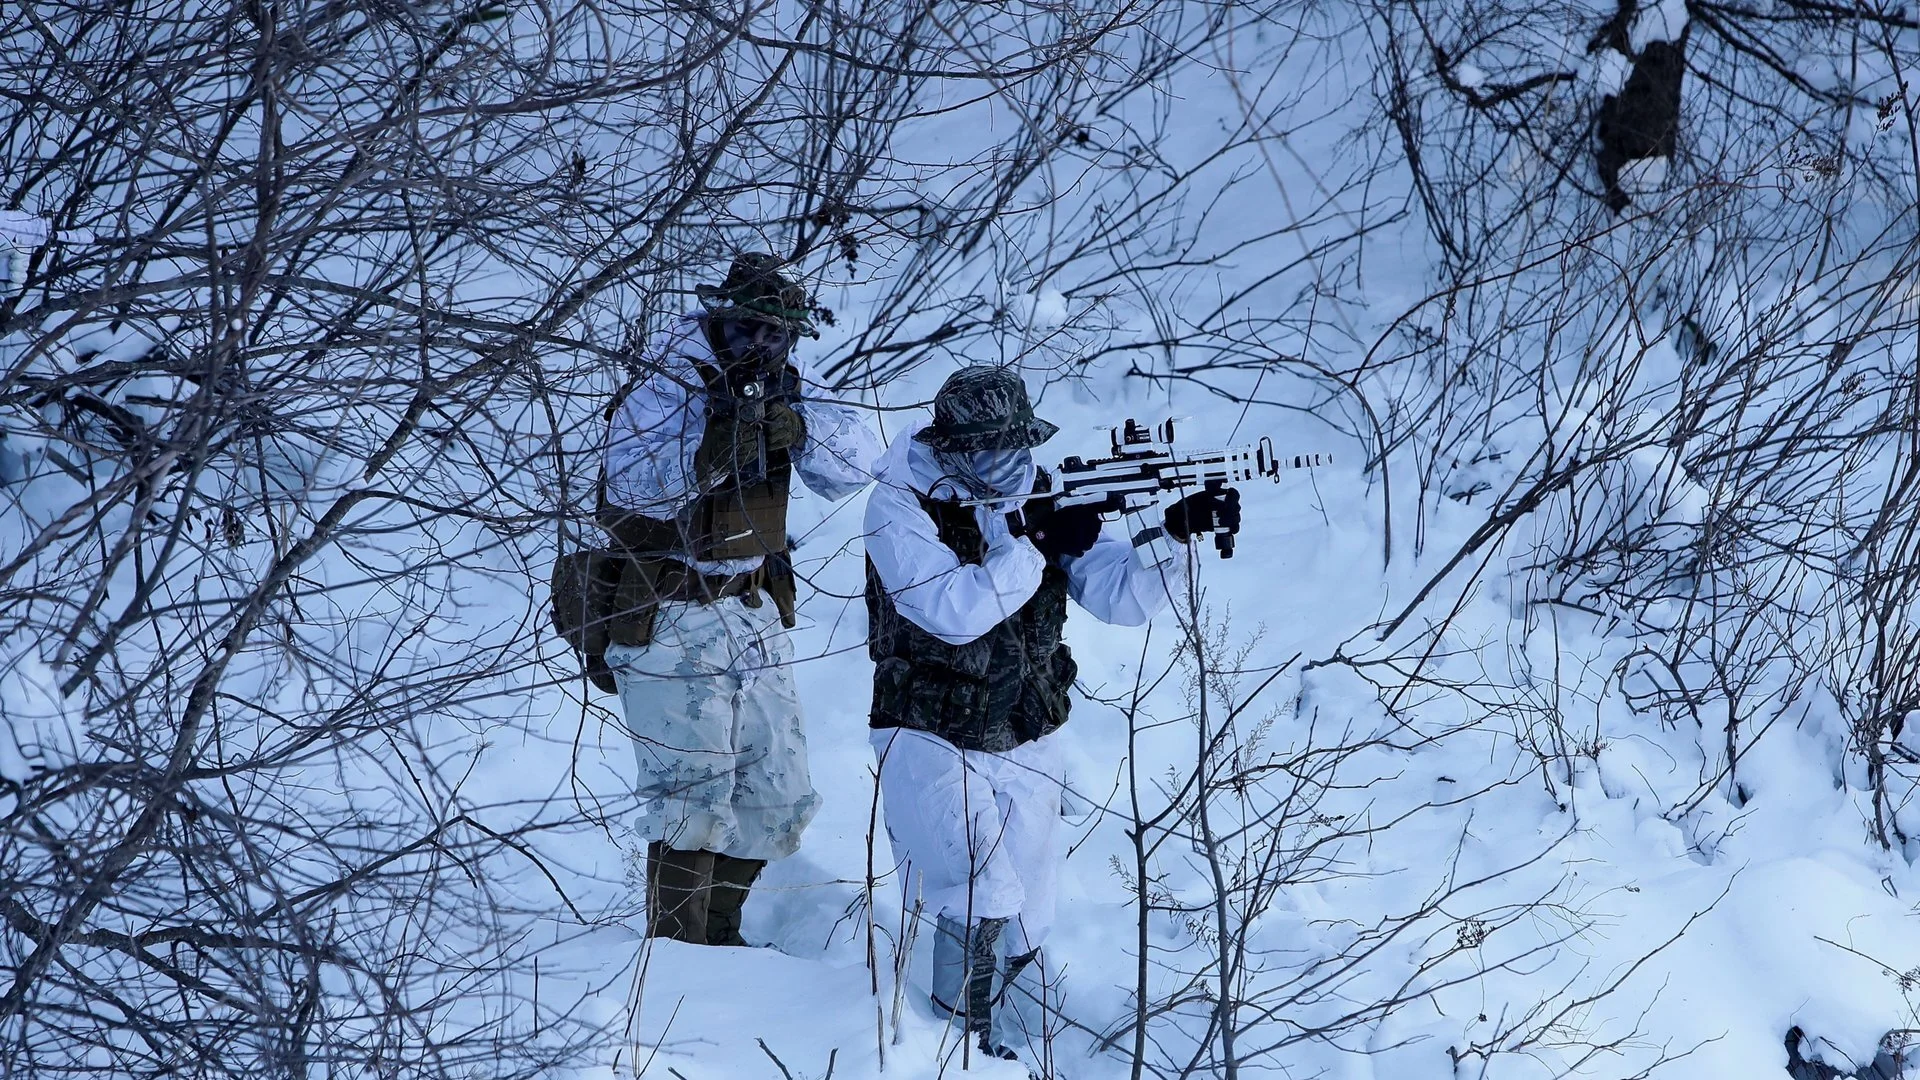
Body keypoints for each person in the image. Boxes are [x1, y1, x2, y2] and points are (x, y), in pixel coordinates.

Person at [861, 365, 1241, 1060]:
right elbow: (952, 610)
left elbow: (1121, 599)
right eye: (983, 449)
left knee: (1027, 912)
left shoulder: (1040, 491)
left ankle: (1002, 1044)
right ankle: (954, 1048)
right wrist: (1035, 547)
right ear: (948, 447)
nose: (1002, 465)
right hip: (930, 731)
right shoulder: (899, 505)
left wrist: (1172, 537)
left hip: (1029, 730)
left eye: (1012, 447)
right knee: (979, 890)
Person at [598, 253, 879, 947]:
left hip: (751, 606)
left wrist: (801, 429)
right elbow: (633, 488)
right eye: (746, 330)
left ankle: (720, 937)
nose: (760, 346)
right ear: (719, 322)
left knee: (777, 793)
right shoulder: (667, 384)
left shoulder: (791, 382)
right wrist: (712, 440)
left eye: (776, 335)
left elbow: (858, 464)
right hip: (669, 605)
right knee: (689, 795)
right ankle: (678, 953)